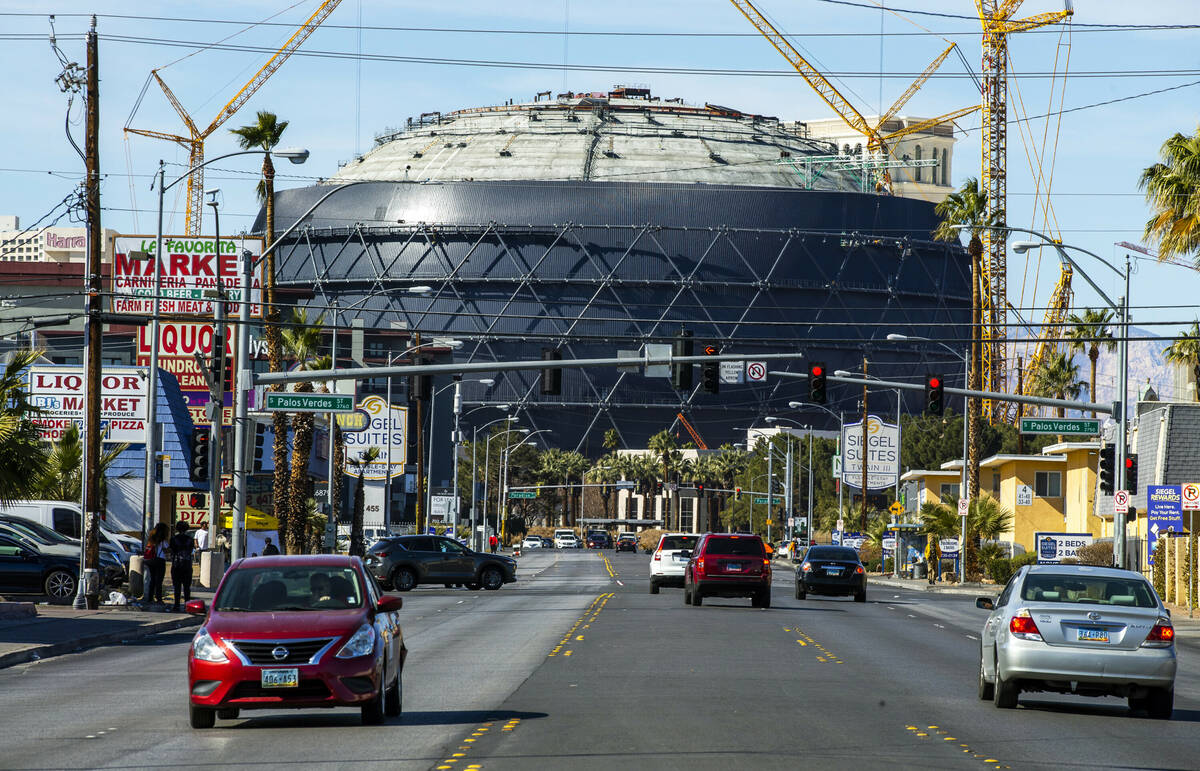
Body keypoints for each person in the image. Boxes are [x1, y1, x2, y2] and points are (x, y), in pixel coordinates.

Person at [168, 522, 194, 612]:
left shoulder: (174, 539)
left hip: (176, 565)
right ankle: (187, 605)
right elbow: (190, 550)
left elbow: (171, 551)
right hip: (187, 565)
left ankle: (176, 605)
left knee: (177, 587)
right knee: (187, 587)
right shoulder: (190, 539)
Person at [142, 522, 169, 605]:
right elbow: (167, 549)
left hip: (150, 560)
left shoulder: (151, 538)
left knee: (152, 580)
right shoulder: (162, 540)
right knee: (159, 581)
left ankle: (150, 597)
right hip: (159, 560)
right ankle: (159, 598)